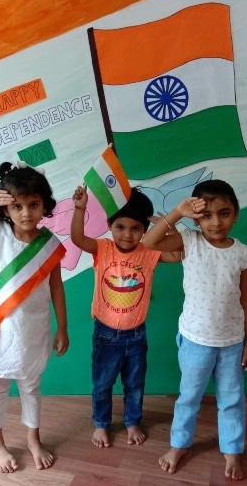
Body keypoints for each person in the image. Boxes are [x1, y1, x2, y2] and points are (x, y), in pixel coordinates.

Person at [142, 179, 247, 480]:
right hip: (195, 340)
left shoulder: (244, 253)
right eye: (206, 215)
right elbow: (149, 243)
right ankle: (179, 444)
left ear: (236, 214)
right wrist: (178, 212)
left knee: (232, 398)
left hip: (232, 342)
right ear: (196, 217)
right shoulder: (189, 241)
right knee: (189, 395)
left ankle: (232, 450)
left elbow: (246, 298)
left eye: (224, 212)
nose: (216, 222)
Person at [0, 162, 69, 473]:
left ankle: (33, 439)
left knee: (31, 388)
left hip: (34, 332)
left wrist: (63, 325)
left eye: (33, 205)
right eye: (17, 206)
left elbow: (57, 287)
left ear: (44, 205)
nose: (25, 213)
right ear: (5, 208)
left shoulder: (49, 246)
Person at [71, 184, 180, 449]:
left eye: (136, 228)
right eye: (120, 227)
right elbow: (77, 239)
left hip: (137, 334)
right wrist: (80, 208)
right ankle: (102, 424)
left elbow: (178, 254)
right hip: (106, 334)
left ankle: (132, 422)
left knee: (135, 384)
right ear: (110, 225)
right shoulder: (103, 248)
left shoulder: (149, 251)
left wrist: (169, 227)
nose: (128, 235)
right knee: (103, 384)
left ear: (144, 230)